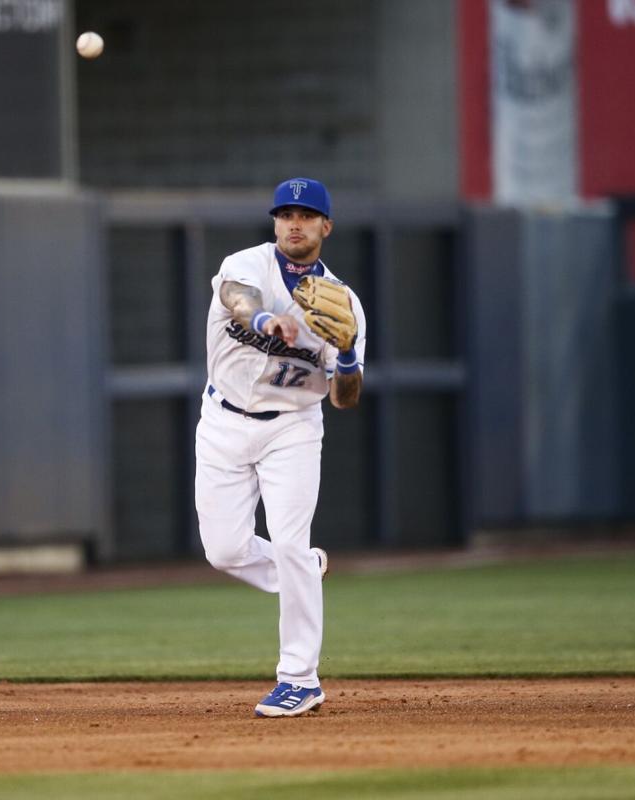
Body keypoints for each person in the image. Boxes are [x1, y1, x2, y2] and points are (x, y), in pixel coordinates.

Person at [194, 177, 366, 718]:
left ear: (325, 226)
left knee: (290, 543)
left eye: (306, 215)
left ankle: (300, 679)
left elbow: (344, 400)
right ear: (275, 222)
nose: (294, 223)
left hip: (292, 427)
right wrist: (267, 318)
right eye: (285, 213)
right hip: (223, 419)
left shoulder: (346, 305)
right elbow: (234, 298)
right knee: (223, 550)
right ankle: (301, 570)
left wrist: (347, 358)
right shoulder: (247, 265)